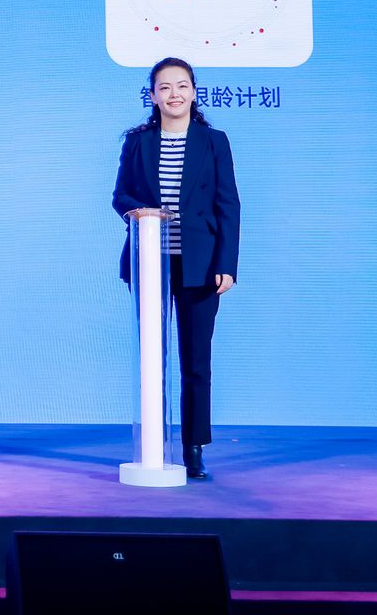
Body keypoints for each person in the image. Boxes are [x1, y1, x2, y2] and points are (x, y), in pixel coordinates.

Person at [111, 57, 240, 480]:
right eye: (164, 87)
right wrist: (142, 211)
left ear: (194, 92)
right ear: (152, 96)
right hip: (150, 262)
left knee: (196, 361)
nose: (174, 94)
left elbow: (228, 204)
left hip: (200, 265)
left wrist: (227, 263)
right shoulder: (138, 142)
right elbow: (120, 196)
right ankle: (153, 443)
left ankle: (193, 447)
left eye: (182, 86)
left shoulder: (214, 141)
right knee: (153, 358)